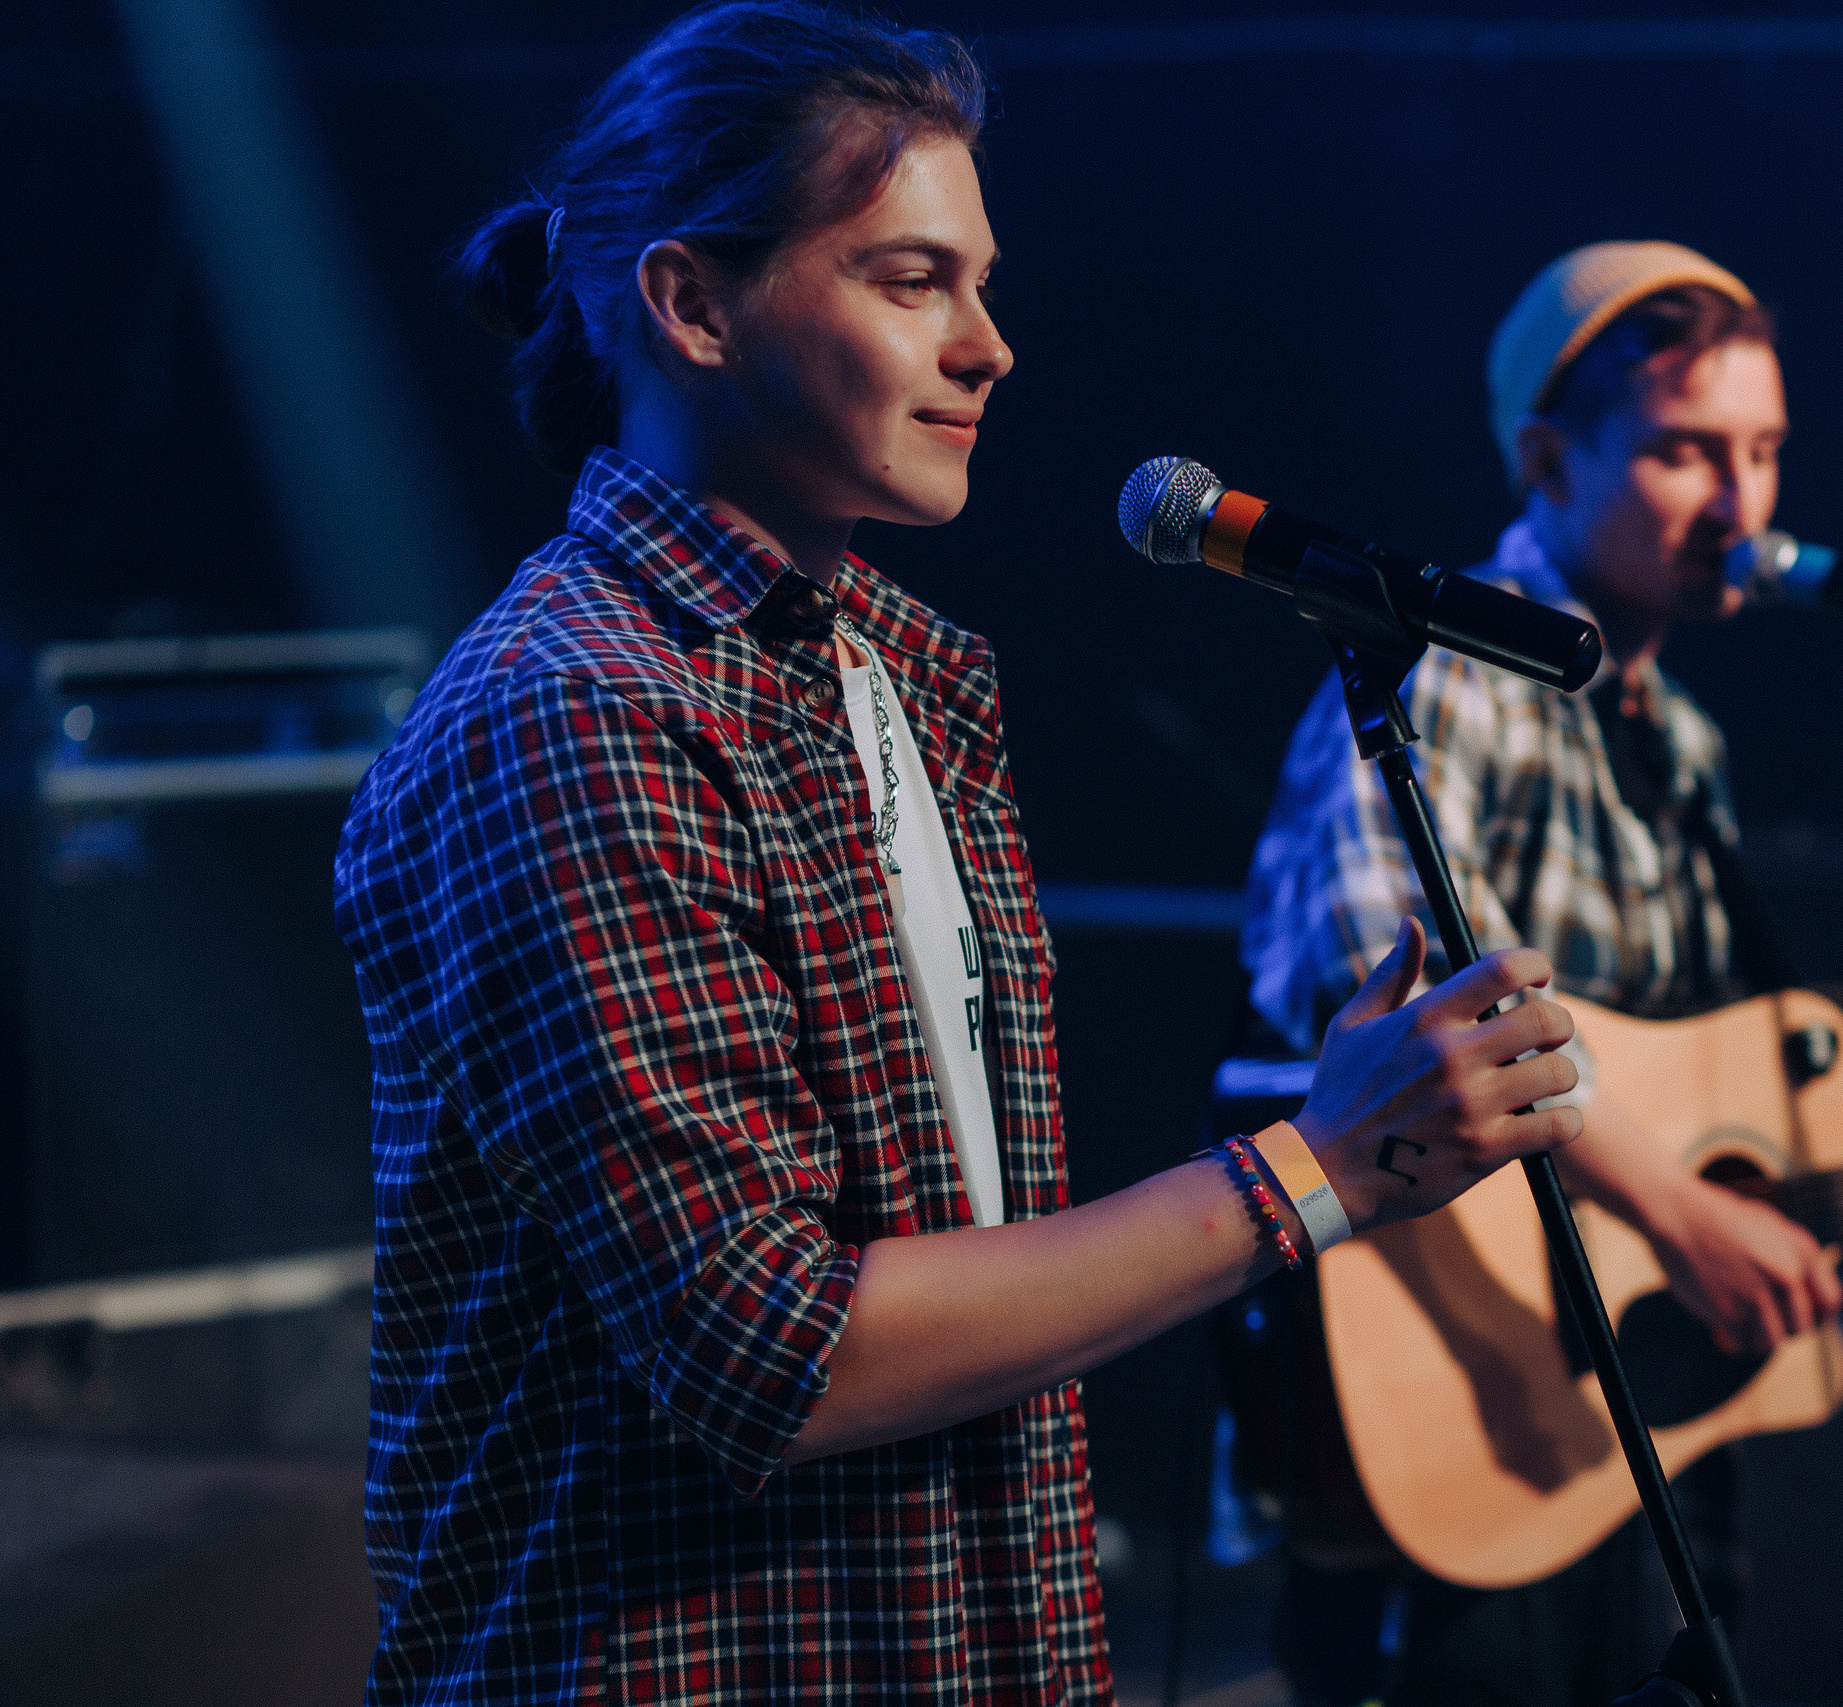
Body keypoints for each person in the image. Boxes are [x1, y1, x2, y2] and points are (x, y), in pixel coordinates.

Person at [332, 8, 1585, 1702]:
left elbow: (963, 1261)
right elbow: (776, 1347)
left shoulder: (897, 674)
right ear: (693, 305)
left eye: (981, 284)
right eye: (914, 281)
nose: (990, 347)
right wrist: (1314, 1168)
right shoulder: (578, 710)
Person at [1240, 241, 1843, 1707]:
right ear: (1547, 460)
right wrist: (1682, 1215)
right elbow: (1398, 1006)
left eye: (1764, 451)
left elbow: (1689, 1082)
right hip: (1462, 1396)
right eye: (1687, 451)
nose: (1743, 503)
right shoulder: (1439, 675)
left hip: (1641, 1414)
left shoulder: (1681, 741)